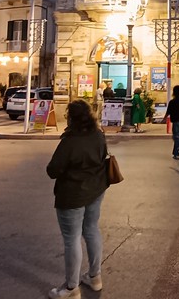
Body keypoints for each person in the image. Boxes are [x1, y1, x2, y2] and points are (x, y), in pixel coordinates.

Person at [46, 100, 108, 299]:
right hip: (96, 190)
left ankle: (72, 287)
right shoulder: (98, 134)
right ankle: (95, 276)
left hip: (72, 194)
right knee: (91, 229)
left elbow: (52, 170)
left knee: (72, 238)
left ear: (71, 117)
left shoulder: (70, 141)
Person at [163, 85, 179, 160]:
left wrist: (164, 119)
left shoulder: (172, 102)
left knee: (175, 137)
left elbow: (168, 112)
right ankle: (175, 153)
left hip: (176, 121)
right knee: (178, 137)